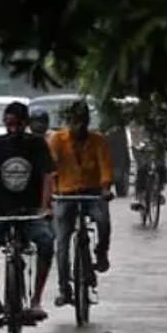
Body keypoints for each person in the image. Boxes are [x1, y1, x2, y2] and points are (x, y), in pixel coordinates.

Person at [0, 102, 56, 325]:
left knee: (47, 242)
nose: (13, 129)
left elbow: (48, 176)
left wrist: (46, 207)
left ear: (26, 124)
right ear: (4, 123)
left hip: (30, 212)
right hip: (0, 212)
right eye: (9, 124)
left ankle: (36, 298)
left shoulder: (37, 144)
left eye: (18, 124)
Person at [47, 101, 114, 307]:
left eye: (83, 122)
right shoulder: (58, 139)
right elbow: (50, 168)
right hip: (65, 193)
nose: (80, 127)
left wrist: (105, 189)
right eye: (76, 122)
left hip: (92, 193)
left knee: (103, 220)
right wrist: (51, 193)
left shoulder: (98, 140)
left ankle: (101, 253)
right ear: (69, 122)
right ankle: (64, 290)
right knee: (62, 243)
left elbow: (105, 167)